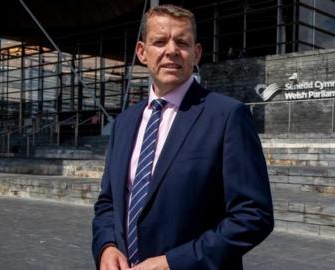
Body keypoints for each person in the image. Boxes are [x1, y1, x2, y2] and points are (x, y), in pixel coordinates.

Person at [92, 4, 274, 270]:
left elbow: (253, 215)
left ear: (196, 52)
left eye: (182, 42)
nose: (171, 51)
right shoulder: (124, 123)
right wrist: (106, 247)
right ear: (142, 52)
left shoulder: (227, 117)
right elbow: (108, 202)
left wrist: (173, 263)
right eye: (159, 41)